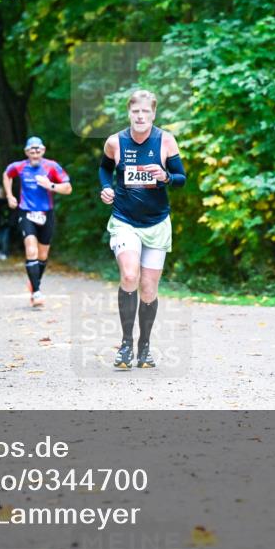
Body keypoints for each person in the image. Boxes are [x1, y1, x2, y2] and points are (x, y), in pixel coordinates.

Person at [98, 90, 186, 369]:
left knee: (148, 288)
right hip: (125, 219)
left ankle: (144, 347)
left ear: (153, 115)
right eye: (136, 111)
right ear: (129, 113)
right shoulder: (115, 142)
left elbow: (182, 179)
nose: (140, 116)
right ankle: (125, 345)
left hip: (157, 222)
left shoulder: (166, 141)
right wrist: (106, 187)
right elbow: (104, 169)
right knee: (129, 275)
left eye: (146, 112)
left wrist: (166, 176)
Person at [3, 136, 72, 306]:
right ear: (26, 152)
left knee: (42, 256)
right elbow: (7, 174)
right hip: (26, 212)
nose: (35, 153)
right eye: (31, 150)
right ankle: (36, 292)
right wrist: (9, 195)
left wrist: (51, 186)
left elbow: (68, 188)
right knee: (31, 251)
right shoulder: (19, 166)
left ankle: (34, 283)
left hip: (46, 214)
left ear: (43, 150)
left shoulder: (52, 166)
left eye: (38, 149)